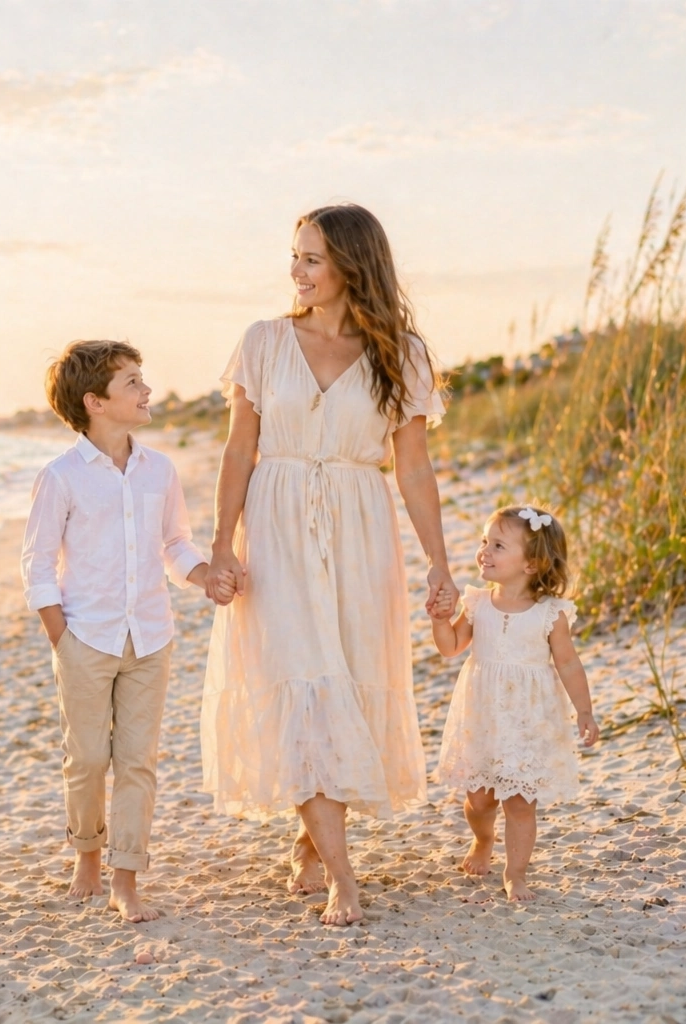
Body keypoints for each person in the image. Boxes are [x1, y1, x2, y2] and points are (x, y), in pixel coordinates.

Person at [201, 204, 457, 926]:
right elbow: (237, 451)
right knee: (301, 678)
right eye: (295, 256)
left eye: (311, 258)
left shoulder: (401, 353)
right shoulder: (263, 341)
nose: (297, 271)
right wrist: (222, 543)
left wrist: (439, 563)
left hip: (358, 528)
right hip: (276, 526)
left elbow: (412, 468)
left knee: (338, 677)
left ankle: (313, 837)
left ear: (352, 264)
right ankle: (343, 874)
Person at [21, 341, 215, 923]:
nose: (146, 390)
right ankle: (87, 855)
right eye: (132, 382)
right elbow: (36, 565)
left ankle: (125, 877)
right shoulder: (60, 477)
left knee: (138, 761)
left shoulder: (161, 469)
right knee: (84, 759)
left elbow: (174, 543)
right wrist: (63, 637)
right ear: (95, 402)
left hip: (150, 638)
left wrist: (204, 575)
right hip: (86, 637)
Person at [429, 505, 599, 902]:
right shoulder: (478, 604)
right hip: (484, 717)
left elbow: (569, 664)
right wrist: (440, 619)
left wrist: (585, 710)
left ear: (532, 563)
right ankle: (483, 839)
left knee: (521, 804)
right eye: (485, 541)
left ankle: (515, 872)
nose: (484, 551)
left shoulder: (550, 615)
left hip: (527, 721)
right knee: (479, 800)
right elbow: (451, 647)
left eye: (499, 545)